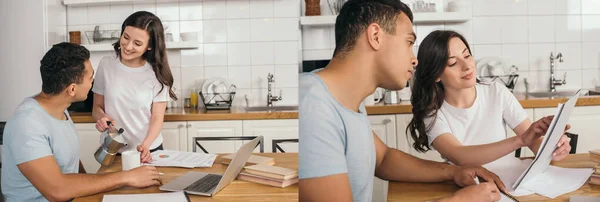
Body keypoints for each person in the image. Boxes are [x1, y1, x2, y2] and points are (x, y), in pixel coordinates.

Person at [298, 0, 506, 201]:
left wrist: (454, 172)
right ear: (375, 36)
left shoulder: (344, 98)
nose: (414, 59)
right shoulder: (315, 107)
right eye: (408, 43)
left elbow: (384, 159)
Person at [1, 42, 161, 202]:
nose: (92, 84)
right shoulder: (26, 124)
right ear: (72, 89)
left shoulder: (60, 110)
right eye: (90, 78)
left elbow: (70, 165)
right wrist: (127, 177)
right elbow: (57, 190)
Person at [407, 30, 572, 167]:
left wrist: (553, 148)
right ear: (436, 75)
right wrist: (521, 140)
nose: (467, 66)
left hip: (510, 181)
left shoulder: (496, 92)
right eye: (452, 64)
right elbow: (460, 156)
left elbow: (535, 143)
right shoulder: (433, 112)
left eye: (467, 56)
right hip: (468, 188)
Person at [92, 11, 177, 163]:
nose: (128, 46)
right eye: (125, 37)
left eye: (137, 43)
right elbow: (97, 107)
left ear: (149, 47)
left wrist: (146, 145)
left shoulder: (157, 72)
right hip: (113, 149)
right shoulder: (106, 64)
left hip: (148, 149)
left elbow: (157, 118)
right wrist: (101, 118)